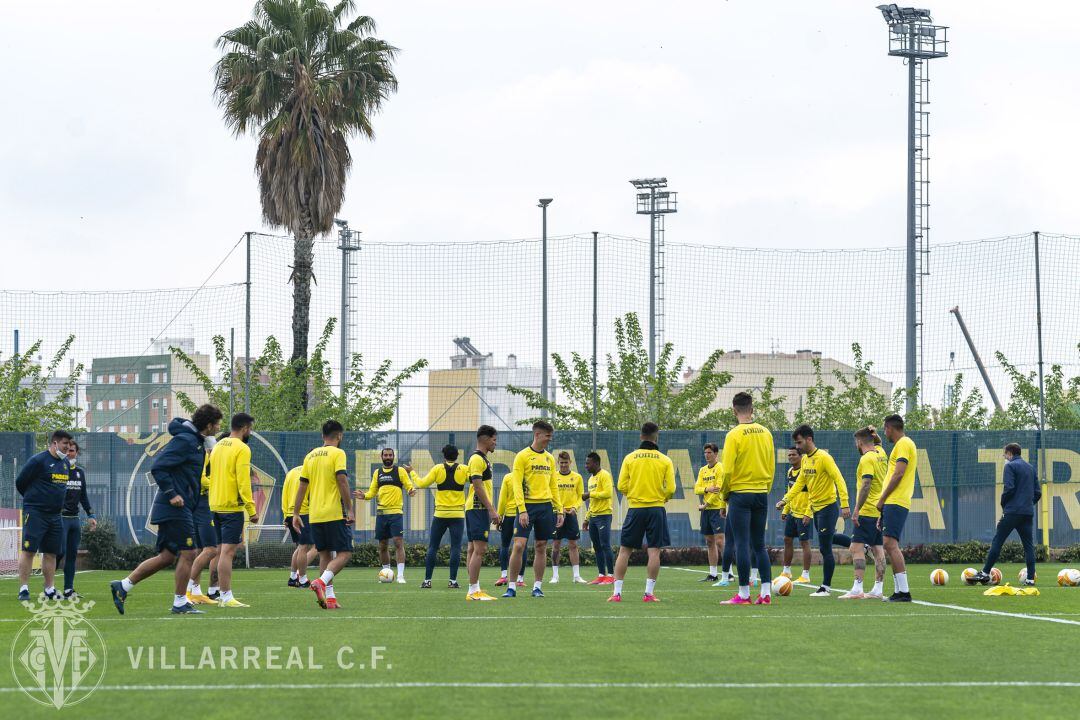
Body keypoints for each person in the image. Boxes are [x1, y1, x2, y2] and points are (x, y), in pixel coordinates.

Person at [110, 405, 223, 615]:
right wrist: (172, 494)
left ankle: (123, 586)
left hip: (179, 506)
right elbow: (158, 467)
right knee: (189, 552)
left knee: (167, 557)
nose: (218, 428)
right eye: (217, 424)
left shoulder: (195, 441)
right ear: (209, 425)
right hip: (174, 507)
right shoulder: (186, 441)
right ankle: (180, 602)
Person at [779, 425, 851, 597]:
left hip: (828, 507)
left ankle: (825, 588)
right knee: (827, 538)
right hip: (816, 508)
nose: (797, 446)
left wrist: (845, 503)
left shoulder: (824, 457)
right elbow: (800, 483)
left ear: (809, 439)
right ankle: (857, 544)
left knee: (825, 548)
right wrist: (785, 500)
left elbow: (839, 479)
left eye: (799, 442)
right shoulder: (805, 460)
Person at [718, 392, 776, 606]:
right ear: (752, 409)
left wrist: (725, 498)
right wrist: (765, 489)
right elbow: (771, 468)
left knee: (741, 543)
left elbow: (727, 472)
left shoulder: (733, 435)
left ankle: (743, 595)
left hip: (740, 495)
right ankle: (766, 593)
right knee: (759, 544)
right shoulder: (766, 433)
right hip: (761, 493)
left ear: (734, 411)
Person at [609, 422, 675, 602]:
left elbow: (622, 485)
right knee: (654, 552)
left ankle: (616, 593)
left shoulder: (630, 458)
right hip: (656, 508)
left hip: (636, 509)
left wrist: (635, 494)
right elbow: (670, 488)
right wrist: (661, 497)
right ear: (656, 436)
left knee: (624, 551)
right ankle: (649, 593)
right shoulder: (665, 460)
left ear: (640, 436)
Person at [291, 420, 353, 610]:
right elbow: (342, 480)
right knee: (345, 553)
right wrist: (349, 508)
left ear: (322, 436)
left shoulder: (310, 456)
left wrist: (295, 512)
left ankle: (330, 599)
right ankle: (321, 581)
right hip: (333, 512)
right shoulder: (338, 453)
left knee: (325, 554)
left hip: (315, 514)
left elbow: (302, 485)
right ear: (339, 435)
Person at [503, 421, 564, 598]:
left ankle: (537, 586)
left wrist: (559, 510)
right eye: (547, 436)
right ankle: (512, 587)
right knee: (519, 545)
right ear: (537, 435)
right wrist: (522, 509)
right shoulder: (522, 456)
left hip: (546, 507)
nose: (549, 440)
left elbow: (554, 485)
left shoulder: (550, 458)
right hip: (527, 507)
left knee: (541, 546)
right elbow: (516, 485)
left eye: (550, 437)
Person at [16, 430, 73, 602]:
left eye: (70, 445)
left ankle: (49, 589)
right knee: (29, 550)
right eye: (65, 444)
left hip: (55, 516)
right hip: (35, 513)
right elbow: (21, 482)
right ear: (55, 443)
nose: (68, 448)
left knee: (51, 553)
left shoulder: (64, 465)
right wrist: (34, 502)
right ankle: (24, 589)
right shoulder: (38, 460)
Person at [972, 443, 1040, 586]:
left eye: (1005, 454)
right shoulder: (1031, 468)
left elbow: (1009, 488)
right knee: (1028, 546)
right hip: (1027, 513)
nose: (1004, 456)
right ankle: (1030, 579)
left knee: (998, 541)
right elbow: (1038, 493)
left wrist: (1004, 503)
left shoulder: (1010, 466)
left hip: (1012, 512)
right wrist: (1028, 504)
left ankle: (985, 573)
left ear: (1010, 453)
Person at [209, 413, 257, 608]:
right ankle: (226, 596)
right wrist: (251, 509)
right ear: (245, 428)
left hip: (215, 505)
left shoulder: (217, 446)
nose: (250, 432)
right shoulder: (242, 448)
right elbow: (243, 481)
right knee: (228, 552)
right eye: (250, 428)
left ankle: (214, 591)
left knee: (219, 551)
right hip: (231, 506)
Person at [355, 447, 417, 585]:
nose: (388, 457)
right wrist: (364, 496)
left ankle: (400, 576)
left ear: (393, 457)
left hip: (396, 513)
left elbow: (408, 486)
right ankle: (386, 574)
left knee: (398, 543)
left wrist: (411, 491)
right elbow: (372, 492)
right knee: (383, 545)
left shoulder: (400, 471)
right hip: (381, 514)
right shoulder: (377, 473)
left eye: (390, 455)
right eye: (386, 455)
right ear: (381, 457)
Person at [839, 427, 888, 600]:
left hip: (867, 510)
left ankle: (857, 588)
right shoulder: (881, 452)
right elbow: (879, 443)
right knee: (877, 549)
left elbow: (866, 484)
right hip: (880, 511)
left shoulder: (867, 459)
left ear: (859, 442)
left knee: (856, 548)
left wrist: (857, 509)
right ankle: (877, 589)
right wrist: (876, 436)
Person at [414, 445, 470, 589]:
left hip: (440, 515)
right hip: (457, 515)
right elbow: (477, 482)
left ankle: (427, 581)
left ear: (443, 455)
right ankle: (452, 581)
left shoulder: (438, 468)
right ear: (457, 455)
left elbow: (421, 483)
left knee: (433, 547)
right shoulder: (464, 469)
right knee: (456, 548)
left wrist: (412, 472)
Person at [876, 414, 917, 602]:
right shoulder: (902, 444)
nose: (885, 433)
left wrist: (882, 499)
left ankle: (904, 592)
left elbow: (898, 473)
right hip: (892, 502)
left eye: (885, 429)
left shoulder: (903, 443)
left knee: (891, 545)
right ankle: (900, 591)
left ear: (890, 428)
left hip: (895, 500)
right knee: (888, 544)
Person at [185, 431, 223, 606]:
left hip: (196, 502)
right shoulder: (202, 456)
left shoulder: (198, 454)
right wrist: (217, 482)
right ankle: (187, 589)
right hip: (201, 503)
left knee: (200, 550)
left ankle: (196, 591)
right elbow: (201, 481)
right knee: (211, 549)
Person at [464, 426, 501, 600]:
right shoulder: (477, 459)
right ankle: (473, 591)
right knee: (480, 549)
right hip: (478, 508)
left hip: (474, 508)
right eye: (494, 439)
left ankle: (473, 588)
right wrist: (491, 510)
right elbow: (477, 486)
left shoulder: (481, 459)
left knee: (472, 549)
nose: (495, 443)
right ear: (485, 439)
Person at [58, 440, 96, 600]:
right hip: (60, 519)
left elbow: (84, 496)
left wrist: (91, 515)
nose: (69, 453)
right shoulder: (57, 470)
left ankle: (68, 590)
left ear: (77, 453)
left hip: (74, 519)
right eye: (66, 450)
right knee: (59, 553)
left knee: (72, 554)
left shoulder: (80, 472)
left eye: (72, 451)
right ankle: (49, 589)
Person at [778, 446, 812, 585]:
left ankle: (805, 575)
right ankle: (786, 571)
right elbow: (789, 491)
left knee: (804, 543)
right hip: (793, 512)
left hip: (804, 513)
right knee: (787, 539)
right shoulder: (790, 471)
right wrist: (785, 510)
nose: (790, 457)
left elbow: (812, 494)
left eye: (793, 455)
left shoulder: (807, 473)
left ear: (801, 456)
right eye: (789, 455)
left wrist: (808, 513)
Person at [550, 451, 586, 584]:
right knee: (556, 544)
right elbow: (551, 495)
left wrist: (575, 508)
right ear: (558, 463)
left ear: (570, 462)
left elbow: (580, 496)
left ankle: (576, 576)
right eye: (561, 463)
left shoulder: (577, 477)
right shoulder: (553, 477)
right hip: (557, 514)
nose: (564, 465)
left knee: (573, 544)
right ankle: (555, 576)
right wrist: (560, 509)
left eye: (566, 462)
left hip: (571, 514)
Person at [694, 443, 725, 583]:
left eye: (709, 453)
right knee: (709, 541)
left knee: (720, 541)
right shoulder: (702, 470)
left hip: (717, 508)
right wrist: (707, 489)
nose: (707, 455)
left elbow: (718, 489)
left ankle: (728, 572)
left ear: (716, 454)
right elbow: (697, 489)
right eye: (705, 452)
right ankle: (713, 574)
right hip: (706, 510)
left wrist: (706, 503)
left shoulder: (720, 468)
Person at [582, 452, 615, 585]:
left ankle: (611, 576)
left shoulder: (605, 475)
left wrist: (590, 494)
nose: (586, 466)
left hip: (604, 515)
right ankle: (601, 575)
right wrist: (586, 518)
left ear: (596, 463)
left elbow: (607, 493)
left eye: (588, 463)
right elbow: (592, 502)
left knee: (605, 545)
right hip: (594, 517)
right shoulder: (590, 479)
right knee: (596, 546)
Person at [282, 464, 314, 588]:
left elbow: (284, 494)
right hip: (303, 513)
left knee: (301, 546)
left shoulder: (291, 472)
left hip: (290, 514)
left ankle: (293, 577)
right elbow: (312, 495)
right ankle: (302, 579)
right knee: (305, 547)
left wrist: (285, 515)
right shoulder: (310, 472)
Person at [494, 471, 526, 588]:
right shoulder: (526, 476)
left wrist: (499, 515)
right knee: (522, 546)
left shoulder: (508, 477)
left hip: (509, 515)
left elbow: (502, 498)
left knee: (505, 545)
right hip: (522, 515)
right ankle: (520, 579)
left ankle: (503, 576)